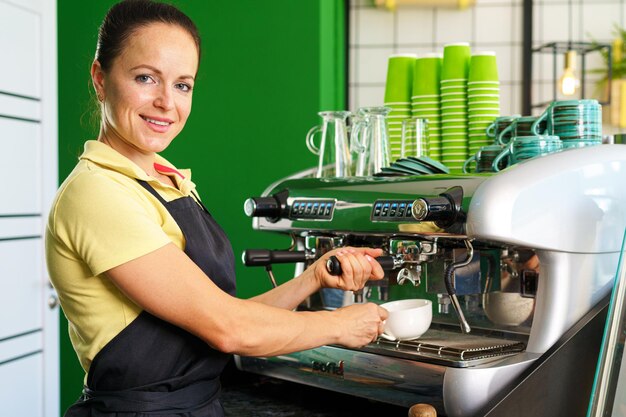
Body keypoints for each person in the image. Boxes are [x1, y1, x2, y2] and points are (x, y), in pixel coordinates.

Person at [45, 1, 389, 416]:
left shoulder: (167, 180)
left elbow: (222, 317)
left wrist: (313, 277)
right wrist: (341, 326)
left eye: (182, 85)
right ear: (100, 79)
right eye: (145, 78)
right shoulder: (98, 193)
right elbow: (227, 330)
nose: (165, 103)